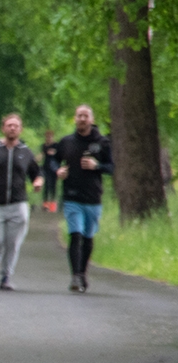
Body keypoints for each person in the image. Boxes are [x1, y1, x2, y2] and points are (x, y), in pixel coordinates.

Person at [0, 113, 43, 291]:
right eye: (9, 125)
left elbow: (37, 173)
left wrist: (37, 182)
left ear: (20, 129)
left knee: (13, 243)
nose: (12, 128)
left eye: (16, 126)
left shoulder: (25, 152)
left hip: (18, 204)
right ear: (3, 128)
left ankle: (6, 276)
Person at [54, 104, 113, 293]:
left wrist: (97, 166)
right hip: (72, 196)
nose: (82, 119)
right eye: (79, 115)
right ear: (75, 118)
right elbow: (54, 160)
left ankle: (83, 272)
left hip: (93, 197)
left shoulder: (102, 142)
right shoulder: (66, 142)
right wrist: (58, 169)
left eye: (85, 116)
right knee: (75, 234)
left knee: (88, 237)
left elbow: (111, 167)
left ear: (91, 119)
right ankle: (76, 276)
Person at [41, 130, 59, 212]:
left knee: (53, 186)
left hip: (54, 168)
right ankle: (45, 205)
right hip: (46, 167)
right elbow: (42, 155)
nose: (48, 138)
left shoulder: (56, 145)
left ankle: (52, 205)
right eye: (47, 136)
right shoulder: (44, 146)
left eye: (50, 136)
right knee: (46, 186)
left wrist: (54, 153)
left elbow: (59, 154)